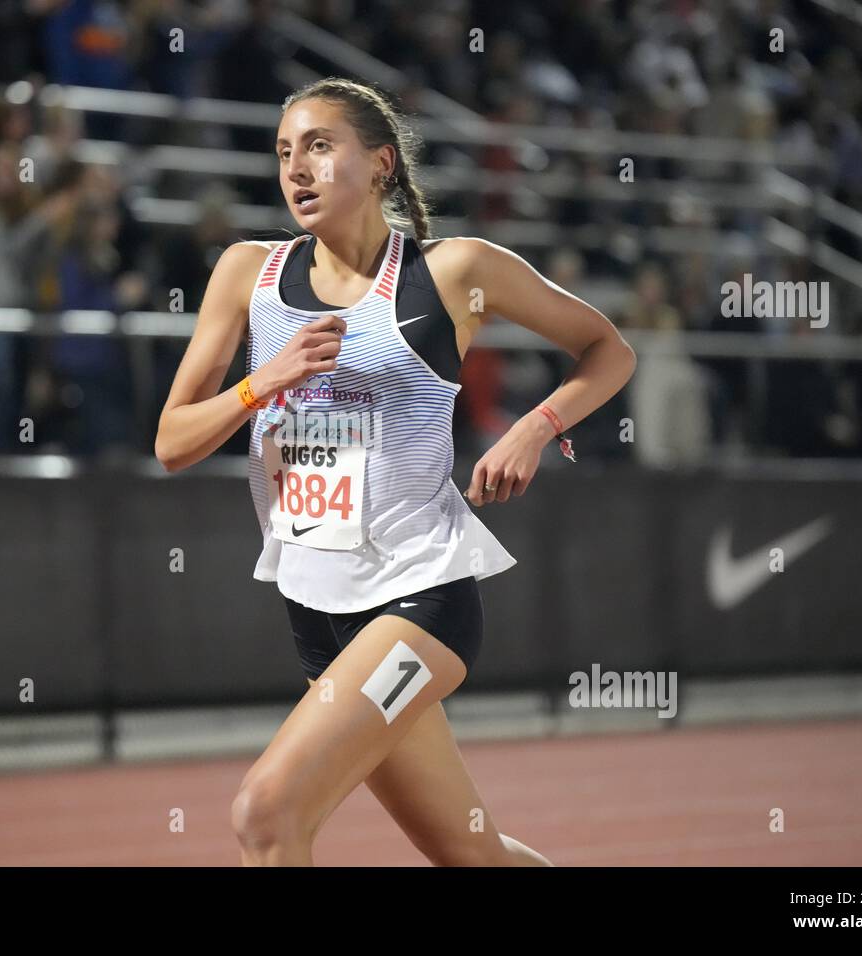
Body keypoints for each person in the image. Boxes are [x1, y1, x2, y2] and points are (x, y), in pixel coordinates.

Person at [155, 78, 636, 867]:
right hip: (317, 613)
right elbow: (173, 443)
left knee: (266, 813)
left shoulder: (452, 272)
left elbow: (608, 349)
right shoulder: (247, 274)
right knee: (472, 856)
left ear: (380, 164)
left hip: (420, 599)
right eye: (283, 153)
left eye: (318, 146)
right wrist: (259, 383)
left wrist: (533, 429)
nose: (296, 169)